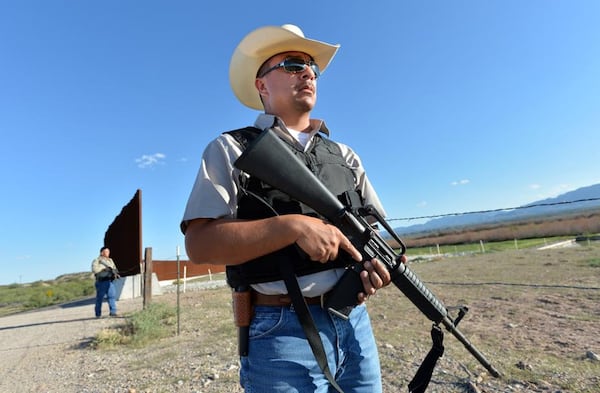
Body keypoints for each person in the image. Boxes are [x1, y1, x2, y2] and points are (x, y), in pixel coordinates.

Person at [181, 24, 397, 393]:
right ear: (262, 85)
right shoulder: (231, 150)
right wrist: (292, 227)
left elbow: (377, 234)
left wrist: (377, 268)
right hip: (279, 333)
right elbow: (199, 245)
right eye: (294, 64)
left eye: (311, 66)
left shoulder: (344, 156)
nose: (309, 73)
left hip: (354, 322)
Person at [91, 246, 120, 318]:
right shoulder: (97, 260)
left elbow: (114, 268)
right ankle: (98, 314)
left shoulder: (110, 260)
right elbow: (95, 270)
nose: (108, 253)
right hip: (101, 282)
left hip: (110, 281)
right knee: (99, 298)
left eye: (108, 251)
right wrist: (105, 269)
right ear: (102, 252)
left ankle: (113, 312)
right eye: (106, 252)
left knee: (112, 296)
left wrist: (115, 273)